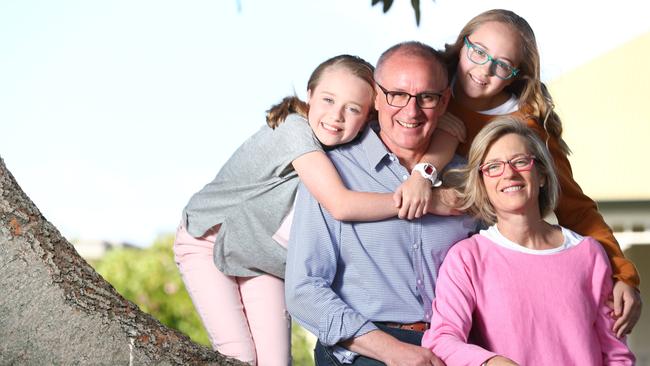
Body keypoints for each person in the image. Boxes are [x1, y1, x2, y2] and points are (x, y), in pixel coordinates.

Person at [173, 54, 446, 365]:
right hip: (206, 241)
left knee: (277, 362)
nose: (337, 116)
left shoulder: (350, 145)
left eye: (353, 109)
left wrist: (425, 169)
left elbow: (451, 128)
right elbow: (340, 204)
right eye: (328, 100)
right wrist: (424, 200)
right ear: (310, 94)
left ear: (369, 115)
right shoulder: (295, 129)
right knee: (240, 356)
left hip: (263, 257)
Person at [413, 8, 641, 336]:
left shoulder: (527, 129)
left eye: (502, 65)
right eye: (478, 52)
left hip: (483, 278)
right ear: (462, 44)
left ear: (517, 74)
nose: (483, 69)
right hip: (405, 270)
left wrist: (622, 276)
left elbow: (576, 210)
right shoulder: (423, 86)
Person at [285, 42, 475, 366]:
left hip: (454, 348)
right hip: (363, 349)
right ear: (376, 96)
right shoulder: (332, 173)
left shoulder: (470, 179)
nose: (411, 111)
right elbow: (304, 290)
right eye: (397, 94)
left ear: (444, 102)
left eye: (426, 97)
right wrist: (392, 351)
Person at [422, 116, 635, 365]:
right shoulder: (467, 258)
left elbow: (616, 355)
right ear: (482, 182)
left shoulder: (588, 253)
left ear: (542, 175)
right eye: (493, 167)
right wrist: (491, 362)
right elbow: (442, 339)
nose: (509, 174)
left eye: (520, 162)